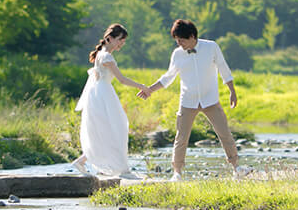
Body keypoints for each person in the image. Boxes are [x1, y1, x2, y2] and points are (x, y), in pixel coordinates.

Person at [137, 19, 248, 181]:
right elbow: (168, 77)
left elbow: (224, 68)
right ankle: (177, 173)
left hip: (210, 99)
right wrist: (149, 90)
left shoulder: (211, 47)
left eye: (181, 40)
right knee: (181, 138)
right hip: (188, 101)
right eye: (176, 41)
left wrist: (232, 91)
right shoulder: (177, 54)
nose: (179, 44)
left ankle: (236, 168)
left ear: (192, 36)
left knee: (224, 133)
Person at [72, 23, 148, 177]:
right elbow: (121, 79)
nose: (122, 43)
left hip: (102, 93)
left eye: (123, 41)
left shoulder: (102, 53)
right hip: (102, 95)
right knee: (115, 127)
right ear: (109, 38)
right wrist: (142, 86)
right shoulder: (106, 56)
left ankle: (85, 161)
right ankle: (118, 168)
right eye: (120, 39)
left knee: (110, 129)